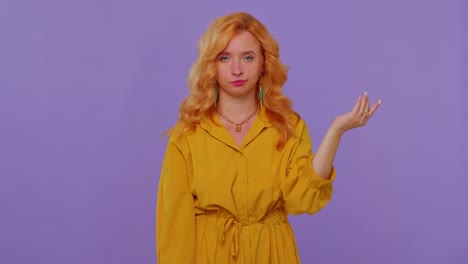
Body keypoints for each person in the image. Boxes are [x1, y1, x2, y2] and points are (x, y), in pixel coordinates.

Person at [156, 11, 381, 263]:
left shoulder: (287, 125)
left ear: (263, 63)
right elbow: (174, 224)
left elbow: (302, 200)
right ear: (211, 65)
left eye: (248, 57)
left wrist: (335, 132)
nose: (237, 69)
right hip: (210, 254)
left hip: (273, 253)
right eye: (225, 57)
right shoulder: (188, 134)